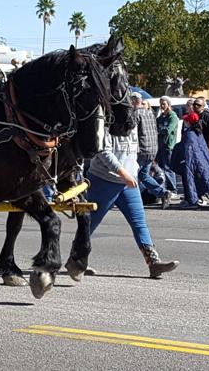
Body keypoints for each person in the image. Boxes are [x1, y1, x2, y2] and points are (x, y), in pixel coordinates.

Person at [86, 116, 179, 279]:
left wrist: (133, 170)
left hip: (129, 182)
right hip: (104, 181)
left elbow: (133, 150)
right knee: (90, 223)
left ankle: (154, 263)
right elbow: (103, 151)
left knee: (139, 223)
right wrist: (123, 173)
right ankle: (76, 258)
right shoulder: (106, 122)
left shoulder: (132, 121)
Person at [172, 112, 209, 209]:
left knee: (190, 180)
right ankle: (191, 200)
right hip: (197, 161)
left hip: (191, 162)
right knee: (191, 180)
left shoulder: (189, 133)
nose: (185, 122)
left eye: (186, 120)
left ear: (189, 122)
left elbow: (188, 149)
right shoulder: (197, 131)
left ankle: (192, 202)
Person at [131, 93, 171, 207]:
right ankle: (163, 193)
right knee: (143, 175)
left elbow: (132, 133)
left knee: (133, 174)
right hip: (152, 149)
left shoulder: (135, 114)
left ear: (134, 101)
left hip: (141, 149)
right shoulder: (150, 113)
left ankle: (134, 200)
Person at [155, 96, 179, 206]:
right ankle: (164, 189)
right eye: (161, 104)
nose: (162, 106)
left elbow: (168, 130)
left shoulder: (172, 116)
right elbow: (154, 126)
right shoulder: (161, 117)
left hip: (168, 146)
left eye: (164, 103)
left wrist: (158, 131)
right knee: (160, 168)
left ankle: (173, 189)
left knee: (168, 167)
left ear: (169, 104)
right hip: (159, 146)